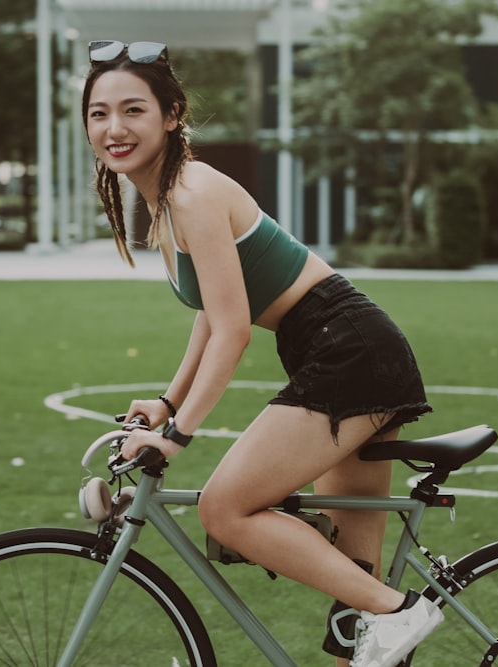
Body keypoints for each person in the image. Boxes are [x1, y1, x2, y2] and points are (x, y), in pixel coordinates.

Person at [82, 39, 442, 667]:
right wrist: (169, 401)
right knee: (356, 602)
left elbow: (234, 330)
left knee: (225, 509)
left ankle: (404, 611)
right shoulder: (165, 198)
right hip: (334, 349)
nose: (115, 128)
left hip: (347, 350)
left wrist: (179, 436)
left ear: (171, 116)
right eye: (99, 113)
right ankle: (387, 614)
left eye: (133, 110)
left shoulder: (190, 194)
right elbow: (214, 312)